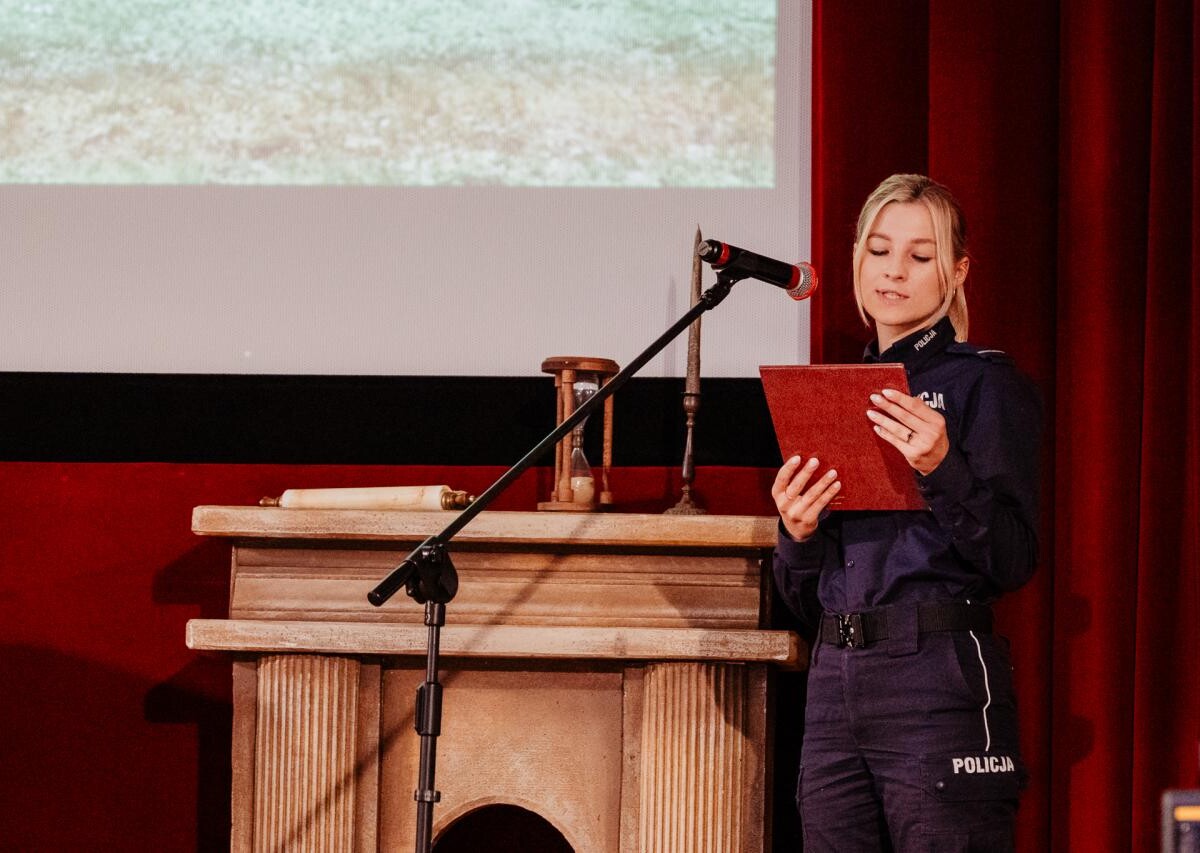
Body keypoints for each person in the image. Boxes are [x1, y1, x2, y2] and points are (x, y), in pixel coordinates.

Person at [772, 174, 1041, 851]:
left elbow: (1013, 558)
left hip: (936, 679)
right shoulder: (834, 394)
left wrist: (943, 466)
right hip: (834, 682)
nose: (894, 270)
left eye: (921, 256)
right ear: (857, 259)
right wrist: (796, 535)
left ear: (957, 272)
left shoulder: (985, 384)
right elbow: (807, 601)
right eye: (879, 250)